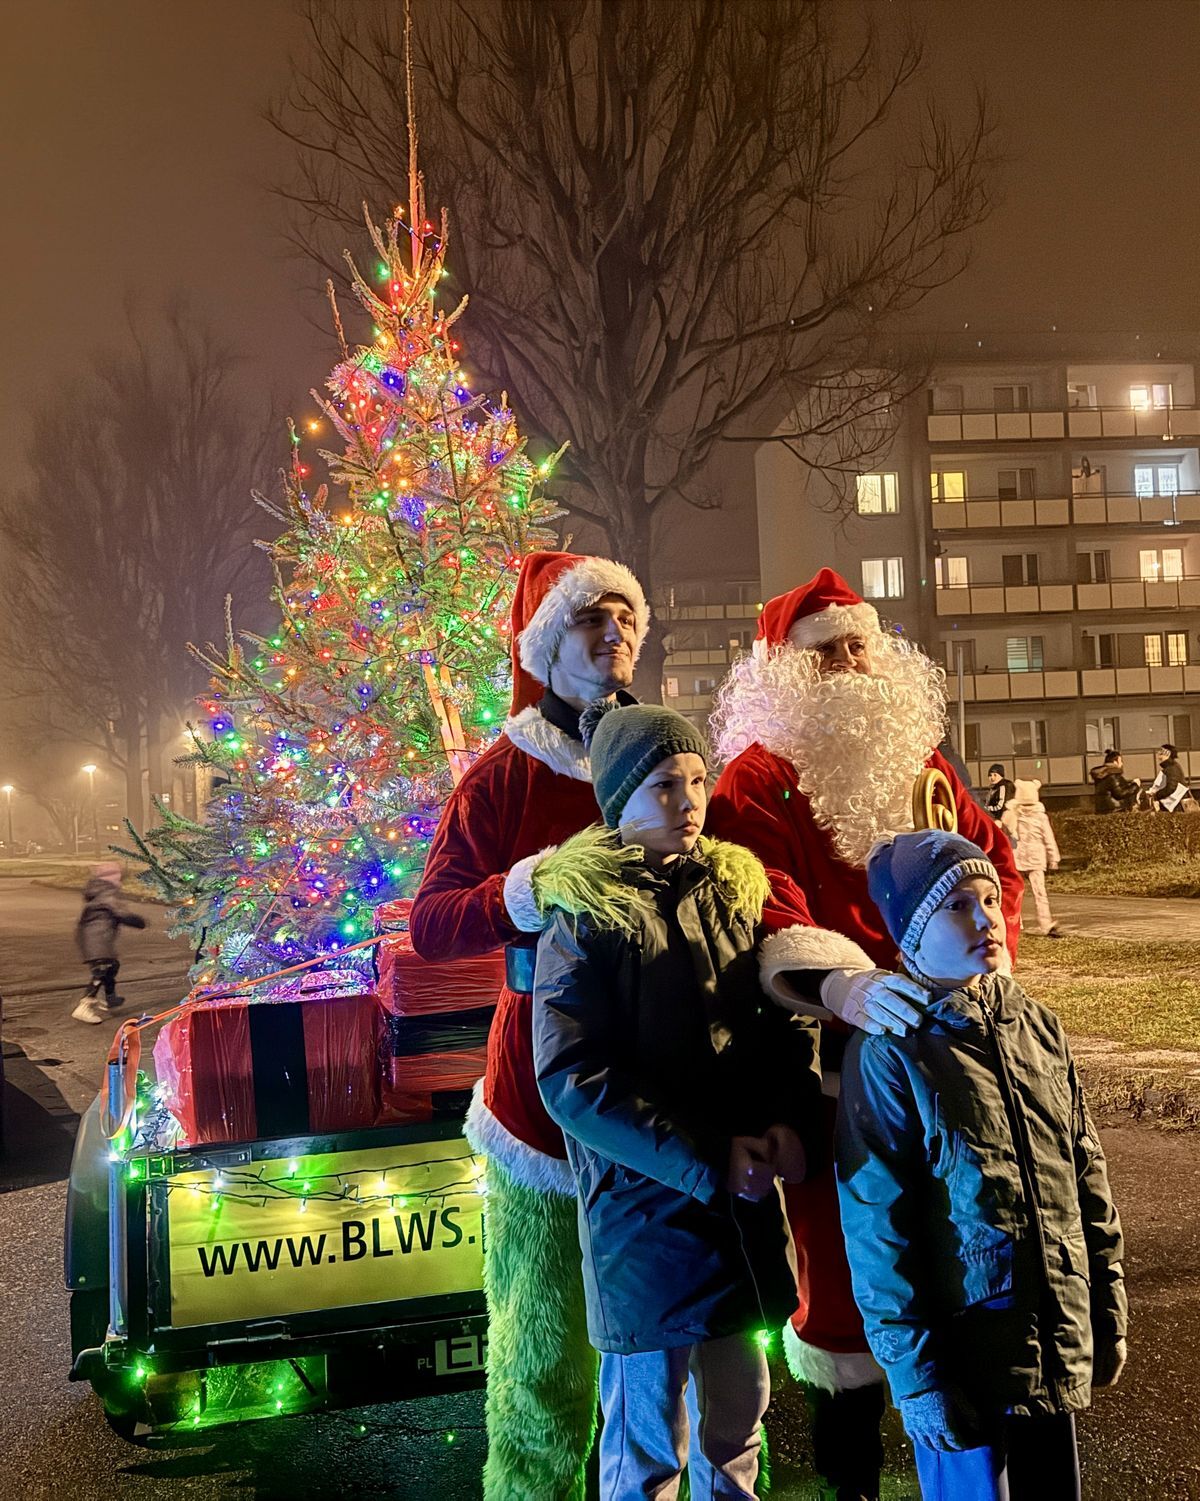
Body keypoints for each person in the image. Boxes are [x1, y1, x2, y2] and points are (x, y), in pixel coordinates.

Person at [706, 568, 1023, 1501]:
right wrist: (845, 983)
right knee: (850, 1288)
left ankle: (965, 1472)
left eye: (858, 643)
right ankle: (852, 1483)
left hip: (955, 1057)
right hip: (834, 1071)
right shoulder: (756, 776)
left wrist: (984, 965)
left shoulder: (925, 760)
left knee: (968, 1265)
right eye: (826, 649)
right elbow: (766, 900)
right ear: (786, 671)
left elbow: (991, 860)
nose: (849, 661)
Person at [533, 700, 824, 1499]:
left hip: (738, 1211)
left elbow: (776, 1025)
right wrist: (705, 1158)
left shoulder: (730, 893)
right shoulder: (583, 919)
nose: (689, 800)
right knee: (648, 1444)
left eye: (697, 780)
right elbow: (571, 1076)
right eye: (664, 784)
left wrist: (788, 1122)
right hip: (646, 1221)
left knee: (739, 1422)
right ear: (619, 798)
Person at [411, 550, 649, 1500]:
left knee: (656, 1338)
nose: (615, 633)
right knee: (543, 1342)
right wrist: (526, 886)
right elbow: (432, 923)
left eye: (626, 617)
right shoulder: (502, 777)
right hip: (539, 1090)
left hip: (651, 1079)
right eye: (592, 617)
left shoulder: (656, 754)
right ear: (549, 641)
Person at [837, 830, 1127, 1500]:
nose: (985, 918)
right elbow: (878, 1225)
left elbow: (1087, 1176)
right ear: (910, 928)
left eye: (990, 898)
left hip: (1049, 1340)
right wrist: (918, 1378)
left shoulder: (1037, 1027)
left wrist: (1104, 1309)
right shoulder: (892, 1052)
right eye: (957, 905)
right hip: (964, 1359)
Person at [72, 861, 147, 1023]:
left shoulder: (98, 891)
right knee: (101, 970)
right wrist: (139, 922)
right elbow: (121, 913)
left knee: (112, 966)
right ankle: (84, 1006)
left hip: (93, 937)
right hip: (97, 938)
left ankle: (110, 997)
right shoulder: (107, 893)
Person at [1003, 779, 1063, 938]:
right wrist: (1054, 857)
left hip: (1017, 858)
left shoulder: (1011, 815)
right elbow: (1048, 838)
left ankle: (1016, 923)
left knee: (1015, 893)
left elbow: (1005, 835)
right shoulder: (1040, 817)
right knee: (1040, 893)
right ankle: (1045, 924)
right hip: (1037, 858)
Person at [1089, 750, 1138, 814]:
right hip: (1116, 810)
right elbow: (1120, 794)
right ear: (1115, 762)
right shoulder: (1113, 775)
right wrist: (1135, 785)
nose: (1122, 764)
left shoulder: (1102, 774)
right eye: (1120, 761)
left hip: (1103, 810)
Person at [1148, 742, 1190, 812]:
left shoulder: (1171, 768)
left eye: (1161, 751)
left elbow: (1171, 787)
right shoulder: (1171, 767)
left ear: (1168, 753)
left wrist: (1156, 795)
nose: (1158, 753)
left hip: (1176, 806)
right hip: (1176, 805)